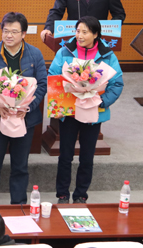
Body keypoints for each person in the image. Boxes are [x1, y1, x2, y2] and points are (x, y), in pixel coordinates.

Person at [49, 16, 124, 204]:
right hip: (70, 112)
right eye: (77, 31)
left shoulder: (108, 55)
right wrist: (60, 103)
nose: (79, 35)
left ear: (96, 34)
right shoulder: (65, 51)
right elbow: (53, 77)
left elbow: (116, 84)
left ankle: (81, 195)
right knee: (65, 156)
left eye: (85, 32)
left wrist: (101, 102)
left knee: (87, 156)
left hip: (93, 112)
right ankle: (62, 194)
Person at [0, 12, 47, 205]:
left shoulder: (35, 54)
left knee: (20, 166)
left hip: (25, 119)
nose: (9, 35)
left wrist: (28, 106)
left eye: (14, 32)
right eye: (6, 31)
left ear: (24, 33)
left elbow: (42, 84)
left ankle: (19, 206)